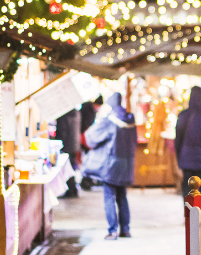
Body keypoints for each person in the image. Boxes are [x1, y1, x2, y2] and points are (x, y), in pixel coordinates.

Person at [83, 93, 138, 240]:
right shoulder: (131, 119)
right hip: (126, 163)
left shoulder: (109, 120)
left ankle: (112, 231)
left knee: (109, 197)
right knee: (122, 196)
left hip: (111, 164)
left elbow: (91, 138)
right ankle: (125, 230)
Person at [175, 86, 201, 213]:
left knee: (188, 188)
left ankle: (190, 213)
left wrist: (179, 158)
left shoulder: (183, 115)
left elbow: (178, 139)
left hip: (186, 158)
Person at [54, 109, 81, 198]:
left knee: (67, 167)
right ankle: (73, 189)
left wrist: (57, 143)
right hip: (74, 144)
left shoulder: (63, 115)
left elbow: (62, 131)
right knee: (72, 166)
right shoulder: (77, 113)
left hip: (66, 144)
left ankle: (70, 190)